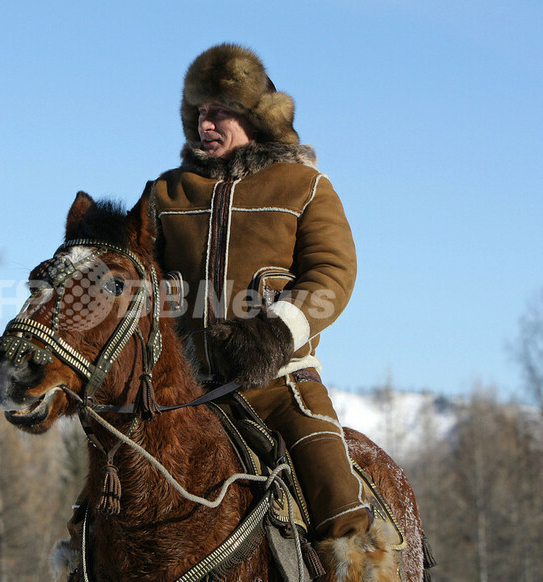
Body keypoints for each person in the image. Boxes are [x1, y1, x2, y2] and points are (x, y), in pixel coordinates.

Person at [143, 43, 387, 563]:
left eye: (220, 111)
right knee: (101, 501)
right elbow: (133, 274)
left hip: (278, 384)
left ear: (255, 117)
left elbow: (333, 273)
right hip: (182, 392)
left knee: (340, 513)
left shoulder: (304, 185)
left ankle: (364, 571)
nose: (206, 123)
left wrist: (275, 336)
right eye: (200, 112)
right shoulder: (164, 193)